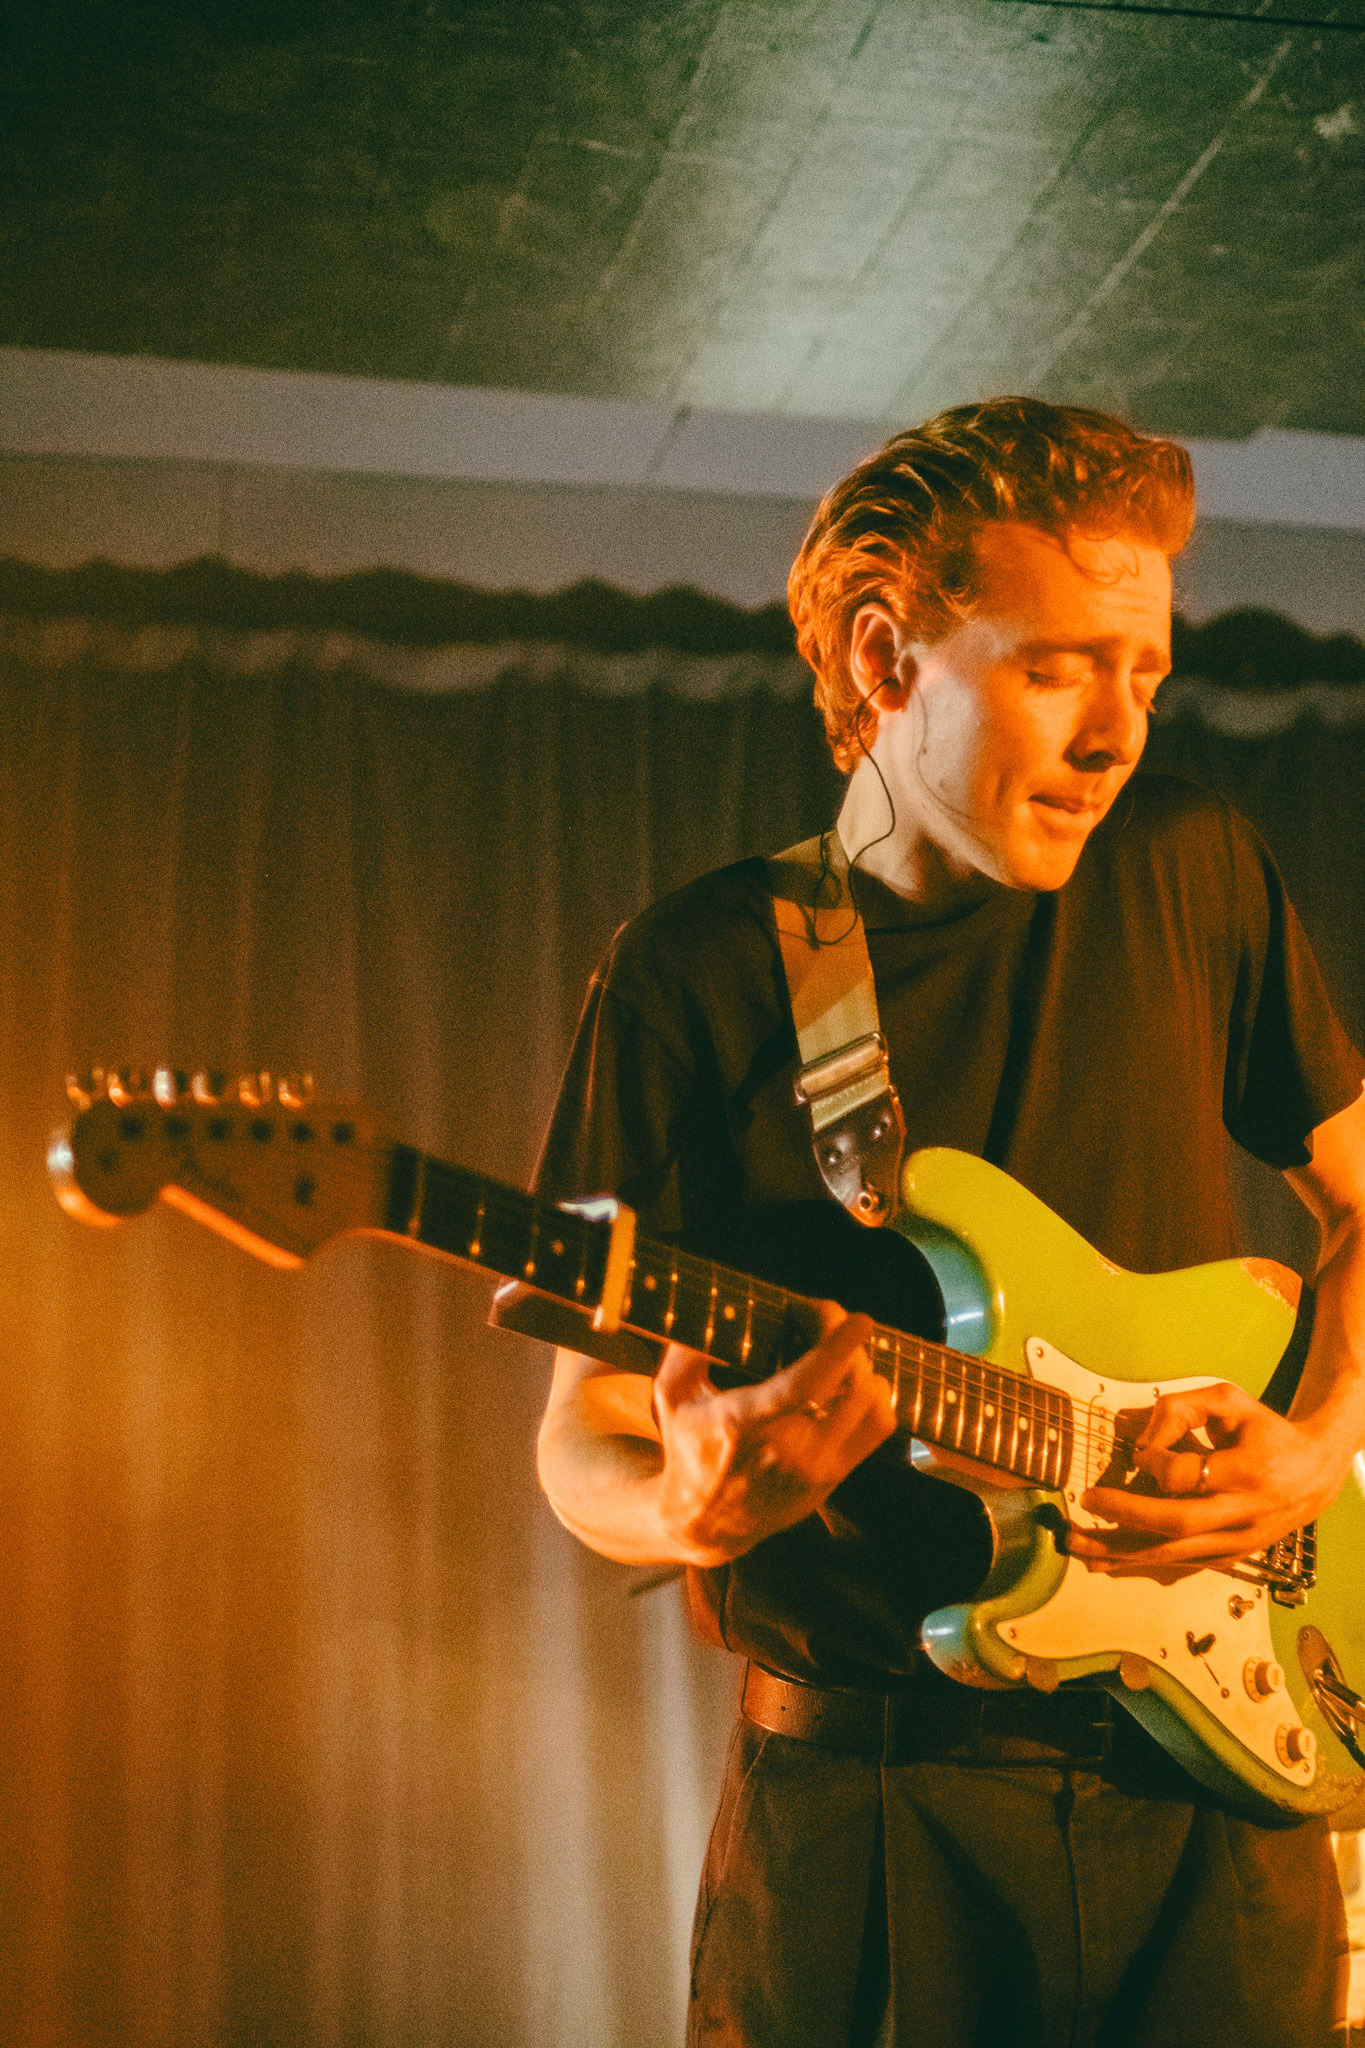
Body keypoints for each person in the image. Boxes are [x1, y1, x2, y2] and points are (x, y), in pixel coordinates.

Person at [522, 398, 1365, 2046]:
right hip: (880, 1811)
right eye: (1057, 670)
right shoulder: (700, 969)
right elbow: (581, 1433)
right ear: (885, 655)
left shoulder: (1192, 862)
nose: (1116, 737)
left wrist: (1318, 1439)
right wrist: (684, 1504)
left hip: (1216, 1792)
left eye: (1144, 676)